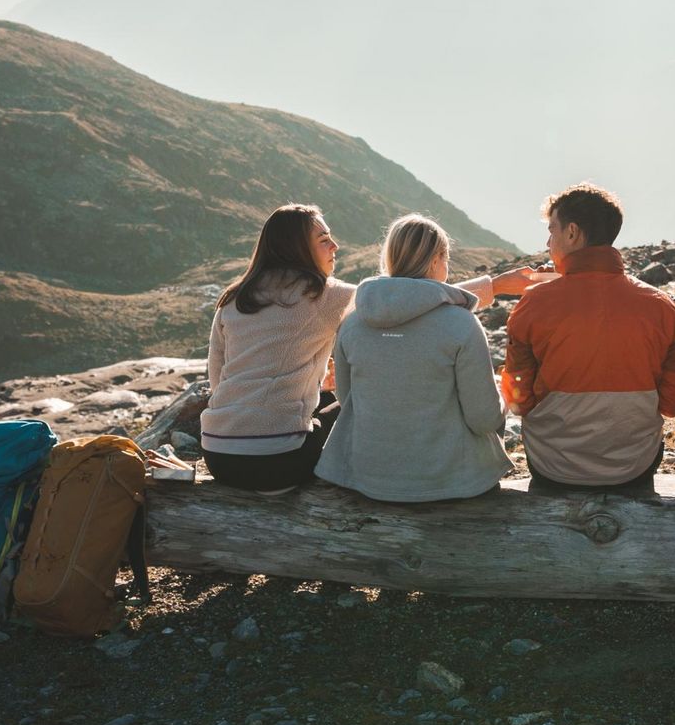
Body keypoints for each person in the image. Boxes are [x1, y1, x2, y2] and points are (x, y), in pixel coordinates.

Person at [316, 215, 538, 502]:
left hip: (369, 478)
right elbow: (483, 419)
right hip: (450, 483)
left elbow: (348, 402)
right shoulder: (461, 324)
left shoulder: (353, 323)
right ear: (435, 261)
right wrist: (506, 397)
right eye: (446, 258)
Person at [501, 183, 675, 490]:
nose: (548, 243)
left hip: (555, 467)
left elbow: (518, 403)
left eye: (552, 231)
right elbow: (672, 404)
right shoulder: (662, 308)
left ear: (572, 233)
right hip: (633, 466)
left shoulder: (534, 303)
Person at [199, 204, 354, 492]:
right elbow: (391, 303)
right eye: (324, 240)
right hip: (278, 463)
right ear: (297, 249)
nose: (335, 246)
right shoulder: (324, 293)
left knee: (323, 400)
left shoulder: (233, 297)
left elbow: (217, 379)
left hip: (217, 455)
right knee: (348, 405)